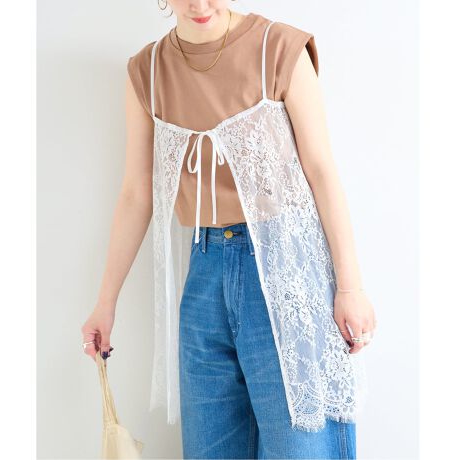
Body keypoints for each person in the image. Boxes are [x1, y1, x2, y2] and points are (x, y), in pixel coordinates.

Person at [81, 1, 377, 458]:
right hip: (204, 275)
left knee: (301, 445)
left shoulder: (279, 48)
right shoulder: (149, 71)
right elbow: (137, 193)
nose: (199, 5)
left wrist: (350, 288)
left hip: (284, 270)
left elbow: (321, 170)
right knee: (210, 449)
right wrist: (105, 303)